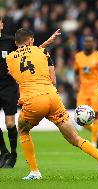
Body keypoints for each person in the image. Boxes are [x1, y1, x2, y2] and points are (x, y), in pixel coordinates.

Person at [6, 28, 98, 180]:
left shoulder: (9, 58)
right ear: (31, 41)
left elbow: (18, 66)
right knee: (75, 138)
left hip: (33, 100)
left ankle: (34, 172)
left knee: (22, 130)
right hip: (53, 98)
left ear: (16, 43)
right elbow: (53, 80)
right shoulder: (43, 52)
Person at [0, 16, 61, 168]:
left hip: (8, 86)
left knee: (9, 123)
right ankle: (3, 152)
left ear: (1, 24)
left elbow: (30, 54)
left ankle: (13, 154)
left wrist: (46, 43)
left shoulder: (9, 41)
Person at [74, 36, 98, 148]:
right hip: (83, 90)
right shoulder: (78, 57)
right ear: (84, 43)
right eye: (86, 42)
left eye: (90, 42)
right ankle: (96, 132)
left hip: (96, 89)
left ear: (94, 43)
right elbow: (76, 73)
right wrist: (75, 84)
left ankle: (94, 142)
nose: (88, 44)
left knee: (96, 115)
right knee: (79, 118)